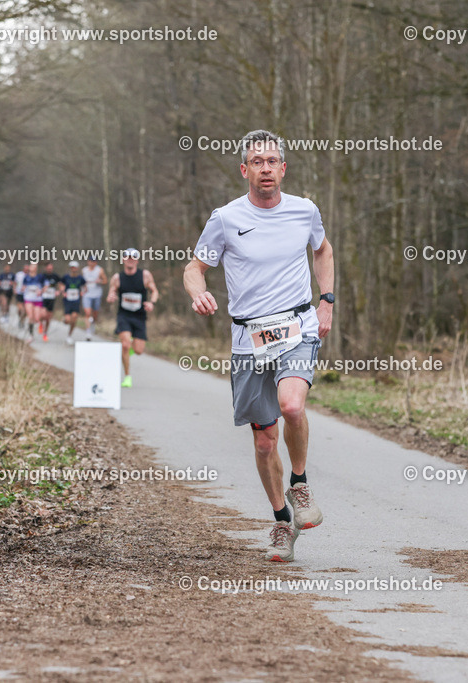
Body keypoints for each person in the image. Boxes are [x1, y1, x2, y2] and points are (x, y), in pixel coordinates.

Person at [183, 129, 334, 563]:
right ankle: (282, 521)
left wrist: (326, 302)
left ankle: (300, 485)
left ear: (283, 169)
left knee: (291, 406)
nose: (265, 168)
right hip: (249, 337)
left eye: (272, 161)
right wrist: (197, 291)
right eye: (257, 161)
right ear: (244, 169)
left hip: (296, 325)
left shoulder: (304, 210)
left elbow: (322, 251)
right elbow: (195, 266)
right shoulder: (226, 218)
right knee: (265, 440)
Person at [106, 248, 158, 388]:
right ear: (123, 259)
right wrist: (111, 297)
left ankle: (127, 350)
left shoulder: (145, 275)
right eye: (127, 256)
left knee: (139, 351)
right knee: (124, 344)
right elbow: (111, 293)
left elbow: (154, 291)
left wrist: (151, 303)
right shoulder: (117, 278)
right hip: (124, 316)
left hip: (140, 316)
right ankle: (127, 377)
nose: (130, 259)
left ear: (137, 260)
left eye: (133, 257)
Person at [60, 261, 86, 344]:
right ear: (70, 268)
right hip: (67, 300)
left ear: (77, 268)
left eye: (75, 267)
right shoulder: (66, 277)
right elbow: (61, 284)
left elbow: (85, 287)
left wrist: (83, 292)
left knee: (74, 318)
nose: (73, 269)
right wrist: (62, 291)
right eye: (72, 267)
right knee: (67, 320)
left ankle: (69, 335)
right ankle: (64, 320)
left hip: (76, 300)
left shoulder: (80, 278)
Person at [81, 258, 108, 341]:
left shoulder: (99, 270)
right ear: (88, 262)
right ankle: (88, 332)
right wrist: (82, 290)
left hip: (96, 294)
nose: (92, 263)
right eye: (90, 261)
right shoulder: (84, 270)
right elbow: (82, 282)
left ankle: (93, 323)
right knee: (87, 312)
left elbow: (105, 281)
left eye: (93, 261)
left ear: (96, 262)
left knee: (95, 313)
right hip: (87, 294)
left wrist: (99, 281)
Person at [38, 262, 61, 342]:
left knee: (48, 318)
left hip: (51, 299)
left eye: (51, 268)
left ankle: (45, 333)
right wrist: (41, 290)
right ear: (45, 268)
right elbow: (38, 286)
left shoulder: (55, 276)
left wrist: (59, 291)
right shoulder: (42, 276)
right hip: (43, 298)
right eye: (48, 268)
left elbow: (61, 285)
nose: (50, 269)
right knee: (43, 314)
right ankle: (40, 324)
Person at [21, 262, 44, 339]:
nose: (33, 268)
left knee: (37, 318)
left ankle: (39, 325)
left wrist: (41, 291)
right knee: (30, 316)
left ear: (36, 268)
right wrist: (23, 289)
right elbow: (23, 287)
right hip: (28, 298)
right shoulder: (26, 277)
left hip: (37, 299)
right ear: (29, 267)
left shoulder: (40, 277)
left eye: (35, 266)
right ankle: (31, 335)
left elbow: (46, 285)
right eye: (32, 266)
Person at [13, 264, 28, 329]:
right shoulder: (19, 274)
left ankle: (22, 321)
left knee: (25, 310)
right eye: (25, 269)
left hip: (27, 294)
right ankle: (20, 318)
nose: (26, 270)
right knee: (20, 309)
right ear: (23, 269)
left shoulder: (30, 276)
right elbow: (15, 282)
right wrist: (14, 289)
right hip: (19, 293)